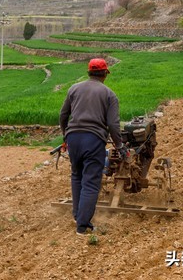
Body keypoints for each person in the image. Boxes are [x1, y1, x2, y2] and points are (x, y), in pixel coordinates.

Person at [59, 58, 126, 235]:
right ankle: (83, 226)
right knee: (90, 182)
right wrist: (119, 146)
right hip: (93, 139)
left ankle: (77, 215)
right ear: (105, 74)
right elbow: (113, 124)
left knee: (76, 176)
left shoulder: (74, 89)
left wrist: (66, 136)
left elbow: (63, 115)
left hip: (73, 138)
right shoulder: (109, 94)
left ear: (89, 72)